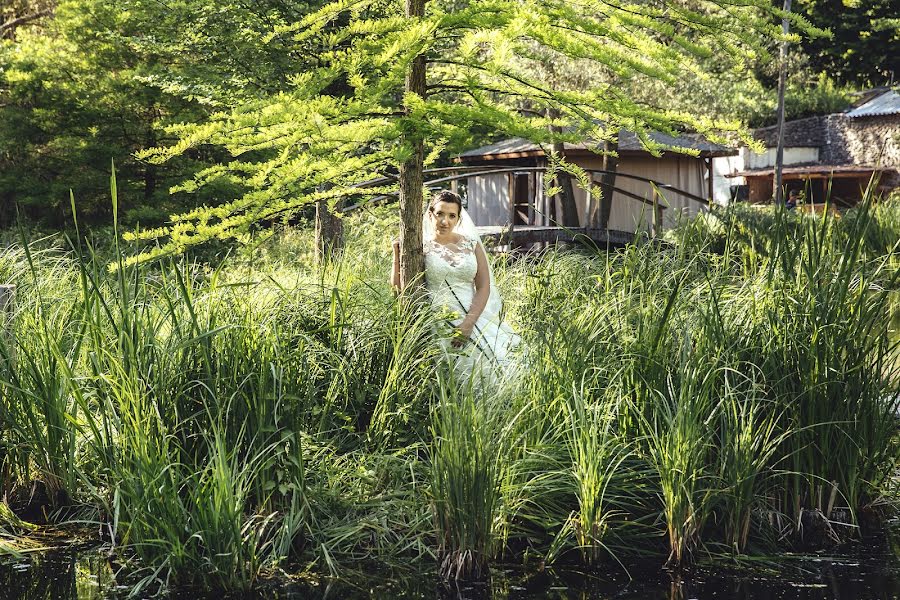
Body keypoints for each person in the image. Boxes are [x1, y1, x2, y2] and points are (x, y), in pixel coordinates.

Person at [391, 190, 520, 383]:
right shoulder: (421, 247)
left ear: (459, 218)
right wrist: (396, 255)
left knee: (497, 365)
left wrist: (468, 324)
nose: (445, 221)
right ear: (430, 214)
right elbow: (398, 288)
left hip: (472, 316)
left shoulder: (471, 244)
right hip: (438, 319)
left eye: (452, 216)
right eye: (440, 214)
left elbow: (484, 286)